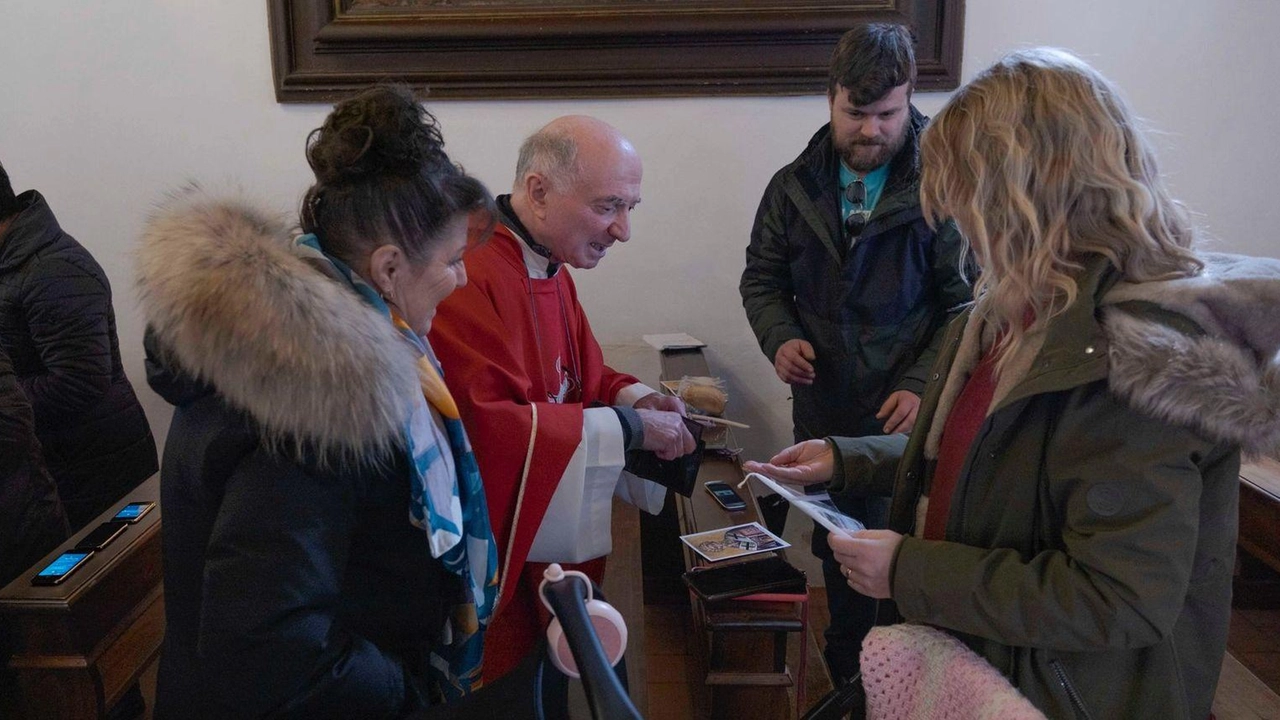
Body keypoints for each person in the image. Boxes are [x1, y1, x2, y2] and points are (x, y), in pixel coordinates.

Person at [746, 48, 1280, 718]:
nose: (963, 225)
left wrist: (908, 570)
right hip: (987, 666)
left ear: (1026, 196)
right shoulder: (1015, 309)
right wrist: (846, 458)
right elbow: (990, 463)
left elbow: (1119, 599)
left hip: (1069, 694)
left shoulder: (1141, 359)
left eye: (968, 199)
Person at [137, 86, 501, 718]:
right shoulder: (315, 400)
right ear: (388, 270)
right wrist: (405, 689)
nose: (463, 278)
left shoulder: (286, 346)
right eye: (452, 260)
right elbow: (270, 647)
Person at [738, 23, 971, 681]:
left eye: (887, 114)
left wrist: (925, 382)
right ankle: (847, 668)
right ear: (830, 98)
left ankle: (896, 672)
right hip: (823, 405)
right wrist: (780, 336)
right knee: (838, 541)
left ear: (911, 97)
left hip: (908, 413)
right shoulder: (792, 186)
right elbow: (762, 278)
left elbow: (963, 307)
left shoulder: (942, 188)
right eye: (856, 113)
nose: (871, 130)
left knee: (901, 546)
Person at [429, 115, 696, 681]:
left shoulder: (550, 264)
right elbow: (485, 426)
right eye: (607, 207)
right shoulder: (467, 272)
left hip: (546, 553)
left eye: (631, 208)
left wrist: (638, 397)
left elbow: (579, 375)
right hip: (498, 557)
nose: (622, 230)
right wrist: (626, 430)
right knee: (513, 685)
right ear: (539, 192)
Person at [0, 160, 157, 531]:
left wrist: (6, 396)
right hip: (62, 465)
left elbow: (80, 382)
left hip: (95, 473)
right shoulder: (17, 264)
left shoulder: (52, 269)